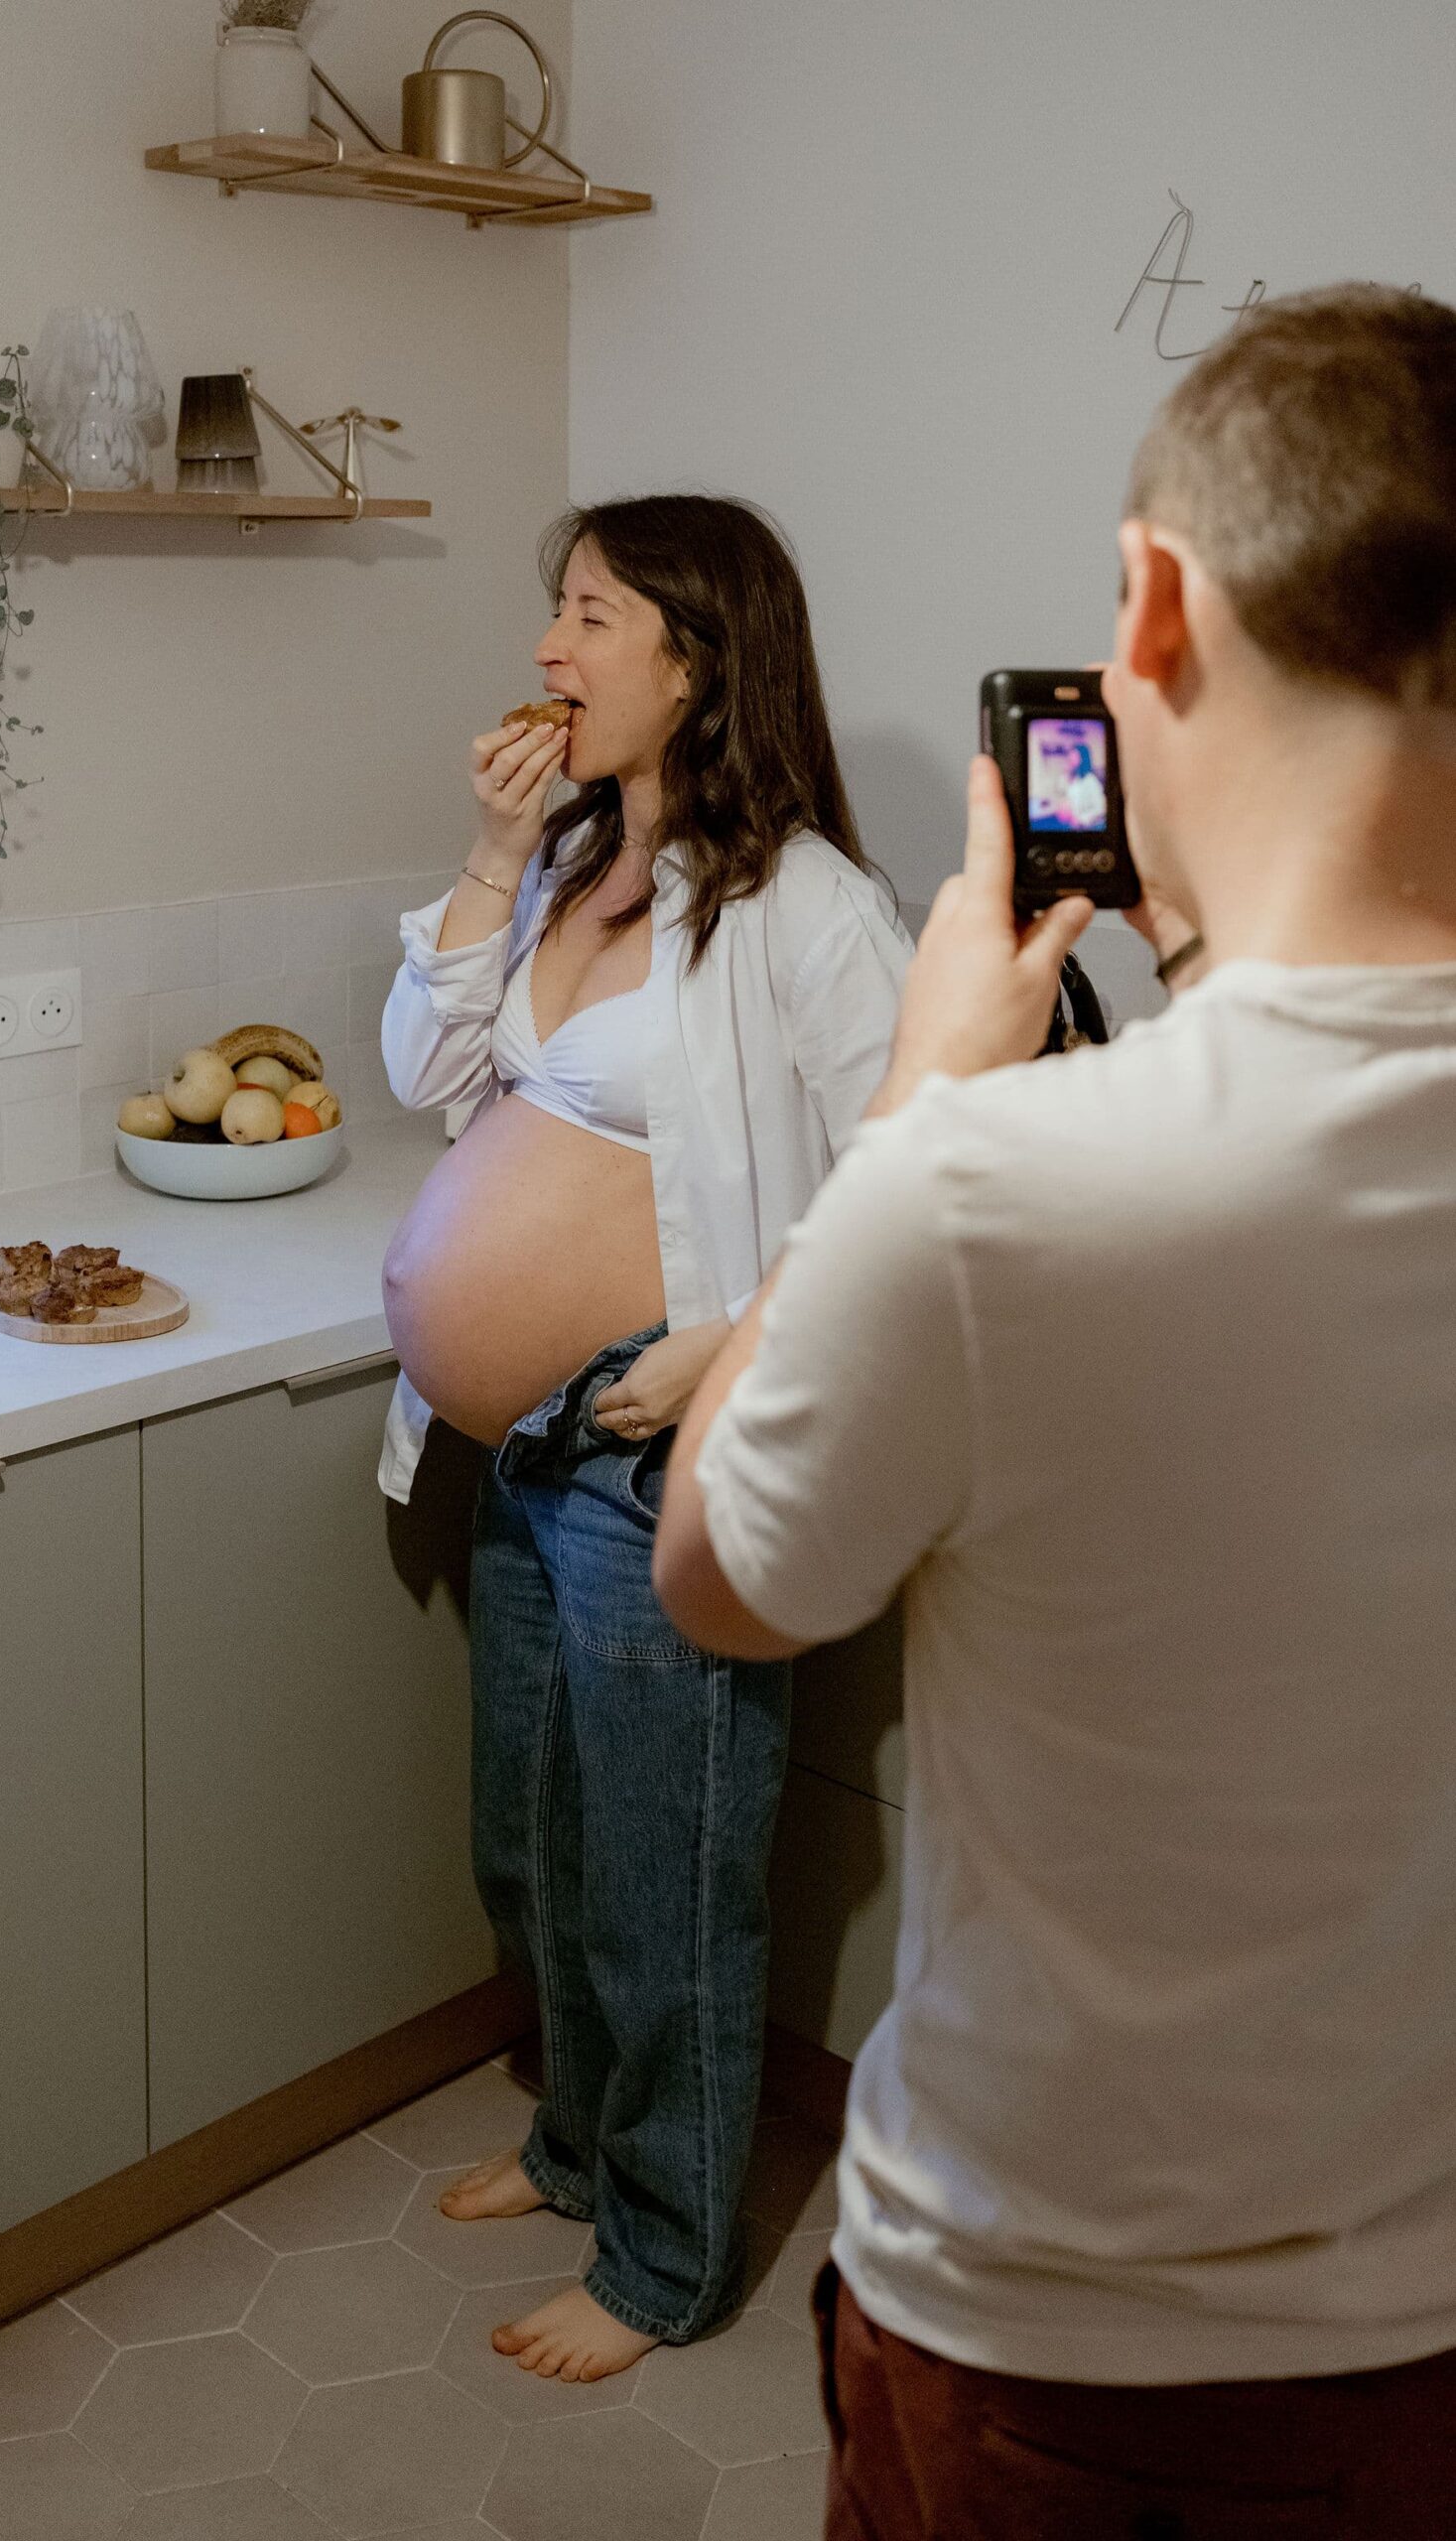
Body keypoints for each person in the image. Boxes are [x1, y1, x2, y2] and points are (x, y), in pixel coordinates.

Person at [654, 285, 1456, 2533]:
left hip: (1057, 2347)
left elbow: (718, 1580)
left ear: (1152, 606)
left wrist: (913, 1096)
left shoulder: (991, 1196)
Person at [378, 494, 912, 2381]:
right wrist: (489, 849)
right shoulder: (575, 857)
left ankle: (668, 2258)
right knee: (534, 1842)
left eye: (587, 613)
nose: (548, 650)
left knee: (663, 1865)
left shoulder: (814, 909)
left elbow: (922, 1186)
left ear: (693, 654)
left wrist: (722, 1352)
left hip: (654, 1457)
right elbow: (429, 1071)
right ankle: (581, 2146)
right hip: (513, 1451)